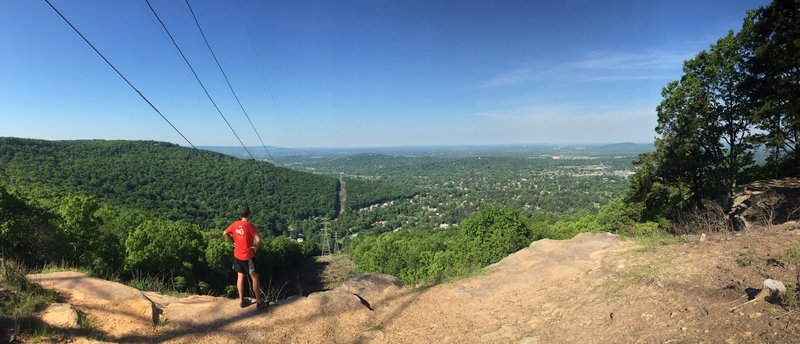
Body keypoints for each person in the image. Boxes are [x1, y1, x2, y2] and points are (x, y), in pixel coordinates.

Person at [223, 206, 267, 309]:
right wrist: (255, 248)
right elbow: (258, 240)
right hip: (248, 256)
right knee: (255, 277)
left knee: (240, 276)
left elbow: (225, 233)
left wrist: (233, 241)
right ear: (249, 215)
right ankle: (259, 302)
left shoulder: (235, 224)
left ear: (241, 215)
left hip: (237, 255)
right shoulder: (250, 226)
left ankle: (242, 301)